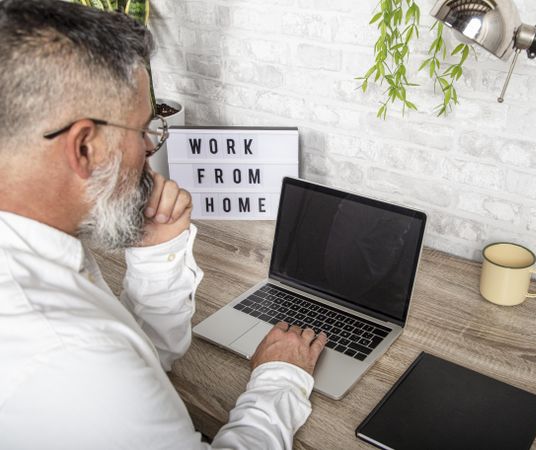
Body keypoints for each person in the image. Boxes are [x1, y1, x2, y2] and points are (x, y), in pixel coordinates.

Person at [0, 1, 327, 448]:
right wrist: (280, 379)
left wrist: (157, 257)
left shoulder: (35, 248)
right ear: (84, 149)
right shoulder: (70, 354)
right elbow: (108, 371)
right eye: (141, 130)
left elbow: (136, 367)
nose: (151, 147)